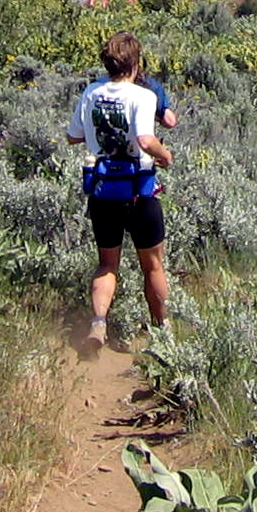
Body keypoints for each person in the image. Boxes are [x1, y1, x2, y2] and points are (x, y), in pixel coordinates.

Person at [67, 32, 173, 349]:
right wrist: (164, 155)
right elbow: (144, 139)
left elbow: (73, 136)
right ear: (135, 62)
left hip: (102, 191)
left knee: (106, 264)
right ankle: (162, 330)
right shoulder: (143, 96)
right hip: (139, 189)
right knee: (152, 265)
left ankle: (98, 324)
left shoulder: (91, 92)